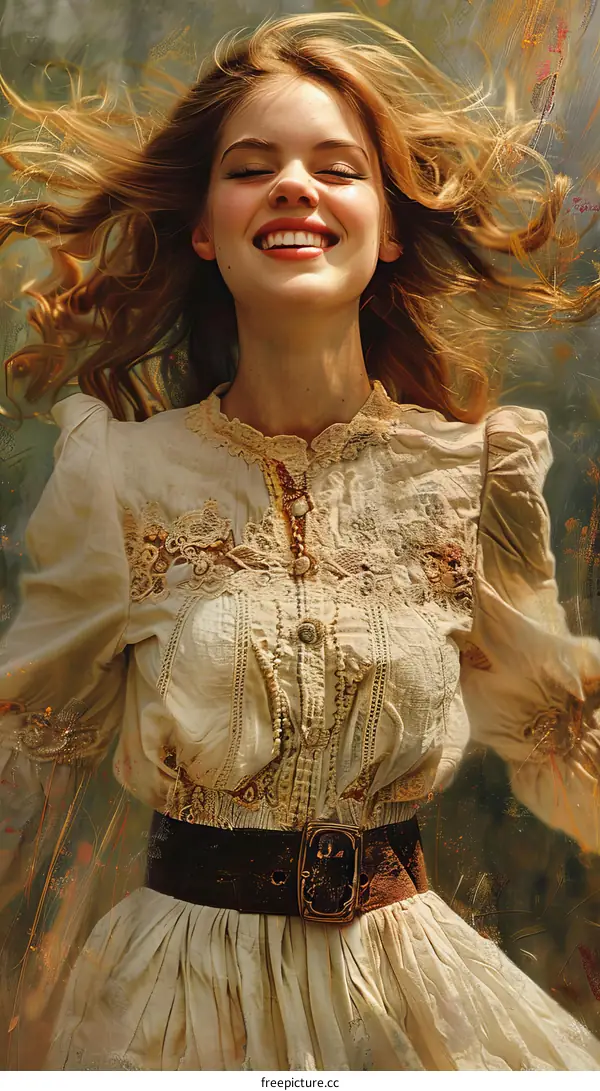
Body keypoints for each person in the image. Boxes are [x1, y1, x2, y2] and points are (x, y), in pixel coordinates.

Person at [1, 10, 600, 1072]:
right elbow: (26, 758)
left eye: (337, 167)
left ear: (390, 225)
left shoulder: (473, 478)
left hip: (408, 1005)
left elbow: (560, 730)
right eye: (251, 167)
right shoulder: (116, 476)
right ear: (202, 225)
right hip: (172, 1007)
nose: (293, 186)